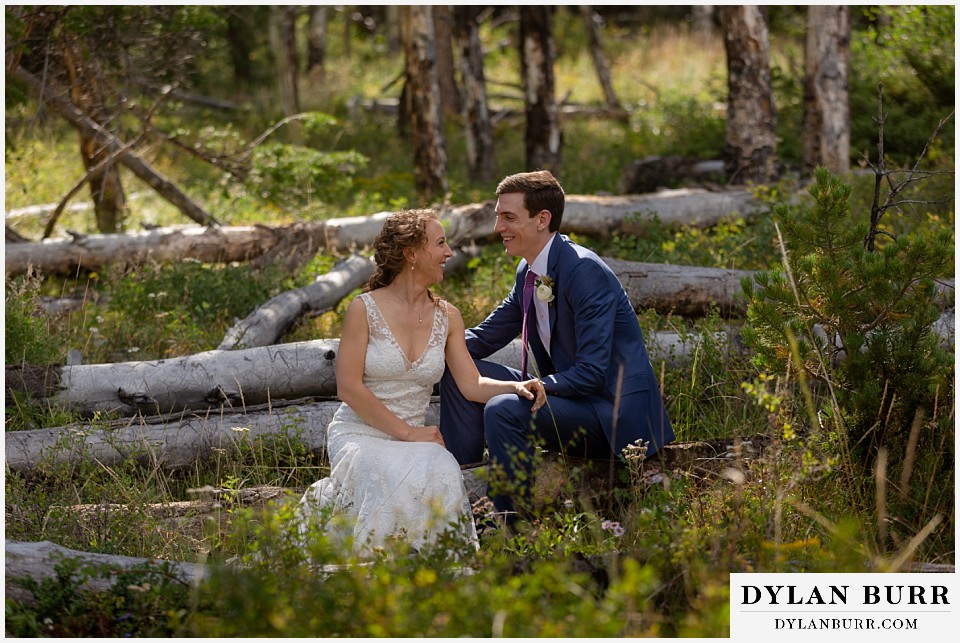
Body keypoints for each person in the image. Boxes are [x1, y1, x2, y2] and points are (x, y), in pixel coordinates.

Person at [299, 209, 546, 554]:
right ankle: (374, 569)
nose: (449, 253)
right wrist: (409, 433)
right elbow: (348, 388)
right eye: (441, 243)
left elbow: (471, 383)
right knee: (387, 470)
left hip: (414, 440)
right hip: (361, 434)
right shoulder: (363, 309)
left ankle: (438, 569)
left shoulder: (448, 316)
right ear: (411, 253)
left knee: (442, 464)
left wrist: (515, 386)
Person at [439, 170, 675, 527]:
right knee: (458, 369)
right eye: (498, 215)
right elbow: (484, 337)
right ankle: (464, 481)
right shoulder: (529, 271)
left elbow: (593, 372)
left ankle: (509, 526)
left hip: (609, 414)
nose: (497, 226)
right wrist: (420, 349)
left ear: (542, 220)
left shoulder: (583, 270)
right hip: (573, 398)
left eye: (508, 217)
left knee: (504, 407)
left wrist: (538, 386)